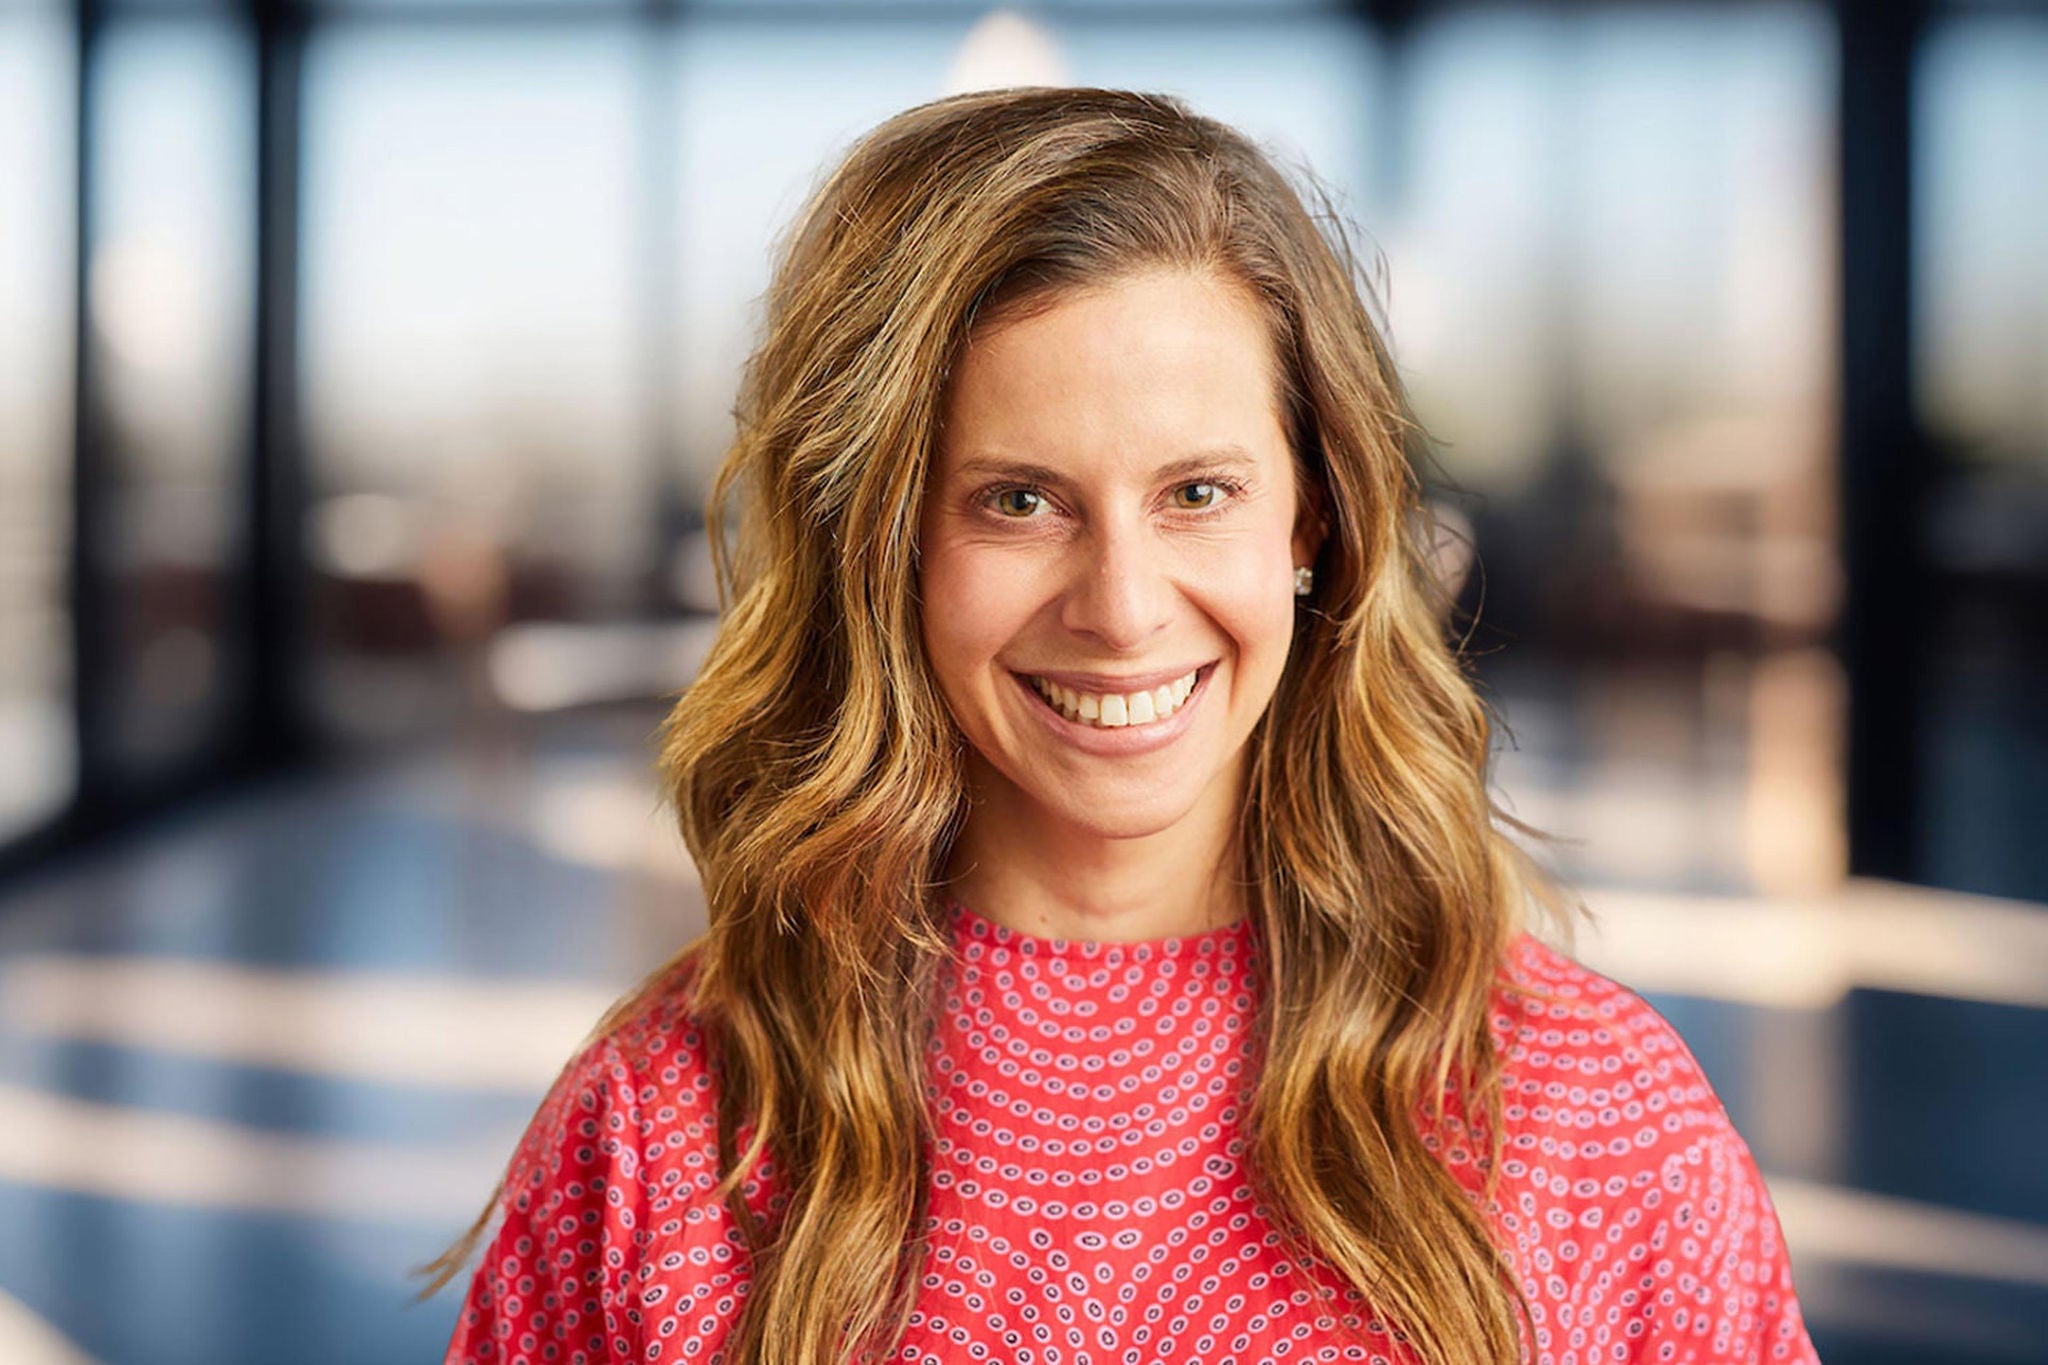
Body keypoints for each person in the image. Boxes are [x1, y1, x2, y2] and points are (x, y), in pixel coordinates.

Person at [420, 87, 1819, 1365]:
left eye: (1196, 492)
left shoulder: (1596, 1114)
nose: (1123, 606)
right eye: (1018, 499)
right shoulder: (663, 1131)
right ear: (882, 544)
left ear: (1311, 519)